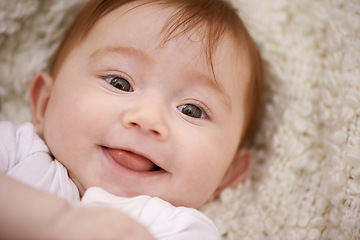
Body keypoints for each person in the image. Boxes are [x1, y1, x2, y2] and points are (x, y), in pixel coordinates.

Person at [0, 0, 263, 239]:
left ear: (228, 173)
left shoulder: (180, 229)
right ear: (45, 102)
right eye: (120, 83)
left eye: (191, 110)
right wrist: (56, 223)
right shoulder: (18, 151)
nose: (147, 119)